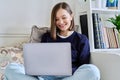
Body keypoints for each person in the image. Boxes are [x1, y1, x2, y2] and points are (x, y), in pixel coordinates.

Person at [4, 2, 100, 80]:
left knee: (93, 70)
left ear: (71, 16)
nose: (60, 22)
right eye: (57, 19)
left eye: (64, 17)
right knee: (11, 68)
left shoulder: (81, 39)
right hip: (44, 77)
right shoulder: (47, 37)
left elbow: (83, 67)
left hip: (69, 77)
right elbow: (39, 62)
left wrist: (66, 72)